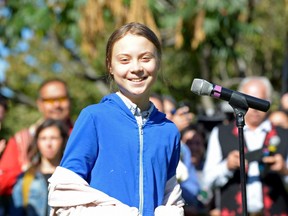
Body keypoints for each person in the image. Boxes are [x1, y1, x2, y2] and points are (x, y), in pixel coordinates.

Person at [48, 22, 185, 216]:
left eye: (145, 58)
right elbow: (63, 196)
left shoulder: (168, 130)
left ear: (158, 62)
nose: (136, 68)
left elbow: (170, 197)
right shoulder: (94, 118)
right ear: (110, 66)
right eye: (124, 60)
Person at [203, 76, 288, 215]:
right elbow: (207, 181)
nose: (253, 108)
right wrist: (227, 166)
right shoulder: (220, 133)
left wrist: (285, 171)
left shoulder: (284, 134)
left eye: (257, 101)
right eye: (248, 100)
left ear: (269, 101)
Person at [0, 78, 73, 215]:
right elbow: (2, 182)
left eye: (62, 99)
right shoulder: (22, 140)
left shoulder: (84, 136)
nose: (57, 104)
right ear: (40, 104)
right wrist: (27, 172)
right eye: (50, 100)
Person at [9, 119, 69, 216]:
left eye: (53, 138)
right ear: (37, 142)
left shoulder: (71, 177)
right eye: (43, 138)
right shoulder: (25, 178)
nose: (48, 144)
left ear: (63, 140)